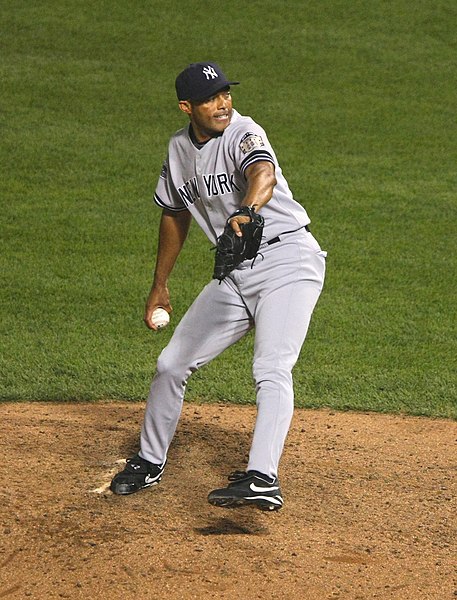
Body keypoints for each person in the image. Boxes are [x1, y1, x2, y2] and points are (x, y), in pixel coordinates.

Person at [110, 62, 326, 511]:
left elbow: (262, 173)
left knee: (272, 368)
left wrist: (246, 211)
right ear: (187, 107)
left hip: (288, 260)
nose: (223, 103)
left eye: (226, 93)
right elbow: (174, 213)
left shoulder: (243, 131)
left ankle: (263, 478)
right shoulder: (177, 150)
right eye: (211, 98)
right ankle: (150, 460)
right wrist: (160, 285)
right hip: (236, 272)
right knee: (172, 362)